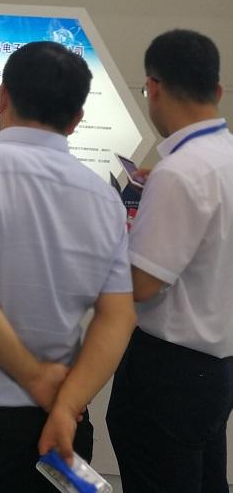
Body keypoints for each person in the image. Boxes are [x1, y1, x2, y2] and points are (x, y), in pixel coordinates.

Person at [0, 41, 137, 493]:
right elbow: (118, 315)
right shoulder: (102, 197)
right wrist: (66, 404)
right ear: (77, 118)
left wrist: (35, 379)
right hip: (61, 419)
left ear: (2, 97)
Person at [106, 29, 233, 493]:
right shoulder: (222, 158)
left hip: (167, 373)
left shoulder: (180, 172)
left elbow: (141, 285)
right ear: (217, 91)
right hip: (215, 367)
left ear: (153, 87)